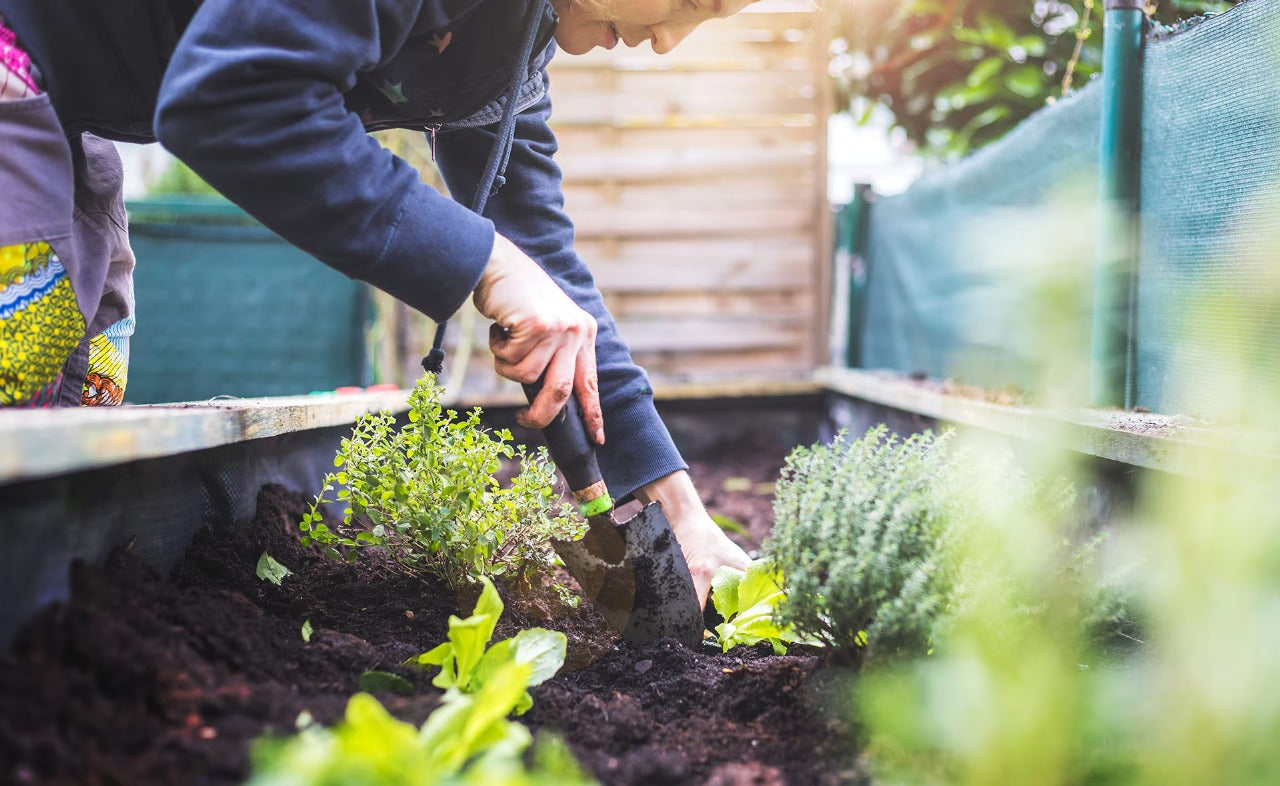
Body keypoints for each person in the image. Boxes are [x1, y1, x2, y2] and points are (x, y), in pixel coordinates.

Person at [0, 0, 752, 604]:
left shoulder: (512, 41)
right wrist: (484, 261)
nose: (669, 43)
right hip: (19, 55)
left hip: (72, 105)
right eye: (693, 1)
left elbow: (550, 274)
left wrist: (675, 506)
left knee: (72, 422)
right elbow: (231, 97)